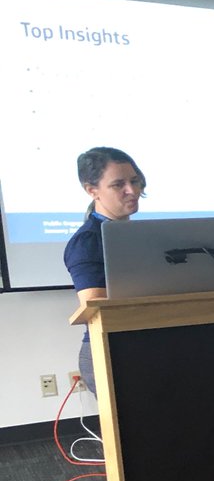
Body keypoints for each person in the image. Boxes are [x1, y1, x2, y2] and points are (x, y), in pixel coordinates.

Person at [63, 147, 147, 393]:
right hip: (110, 350)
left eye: (135, 181)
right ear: (92, 190)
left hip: (149, 341)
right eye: (118, 184)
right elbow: (94, 304)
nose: (132, 190)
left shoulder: (144, 235)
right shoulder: (87, 241)